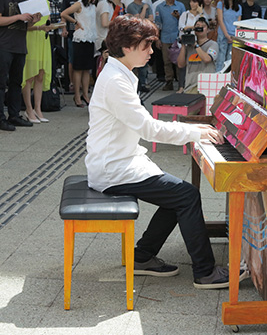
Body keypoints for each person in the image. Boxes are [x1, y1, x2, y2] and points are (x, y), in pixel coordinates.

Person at [86, 15, 242, 289]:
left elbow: (143, 126)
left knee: (179, 194)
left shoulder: (120, 73)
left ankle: (143, 256)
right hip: (113, 168)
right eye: (146, 46)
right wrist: (195, 132)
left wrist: (194, 132)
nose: (151, 52)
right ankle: (205, 272)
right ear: (127, 47)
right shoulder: (116, 82)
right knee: (186, 194)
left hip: (119, 159)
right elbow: (149, 128)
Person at [0, 0, 41, 131]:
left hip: (20, 46)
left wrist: (32, 21)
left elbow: (26, 26)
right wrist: (18, 16)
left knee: (16, 83)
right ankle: (1, 118)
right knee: (1, 84)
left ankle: (14, 115)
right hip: (4, 46)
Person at [62, 0, 97, 108]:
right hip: (80, 37)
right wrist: (75, 22)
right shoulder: (79, 4)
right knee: (78, 68)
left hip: (90, 37)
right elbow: (64, 13)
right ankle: (77, 95)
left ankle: (85, 94)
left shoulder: (92, 6)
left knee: (87, 69)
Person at [22, 0, 52, 124]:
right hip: (31, 39)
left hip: (43, 40)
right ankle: (28, 109)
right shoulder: (26, 1)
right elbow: (24, 26)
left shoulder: (46, 2)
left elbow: (48, 22)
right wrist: (39, 27)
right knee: (29, 76)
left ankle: (38, 109)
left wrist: (50, 27)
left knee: (40, 74)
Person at [177, 17, 218, 93]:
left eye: (203, 26)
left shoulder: (213, 44)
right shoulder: (189, 46)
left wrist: (196, 45)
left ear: (208, 30)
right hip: (190, 85)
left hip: (206, 85)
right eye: (198, 26)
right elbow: (180, 64)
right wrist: (183, 45)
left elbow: (207, 59)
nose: (200, 28)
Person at [155, 0, 186, 91]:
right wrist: (157, 39)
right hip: (165, 37)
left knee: (179, 62)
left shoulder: (181, 6)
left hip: (177, 37)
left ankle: (181, 84)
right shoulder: (159, 7)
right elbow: (158, 24)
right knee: (166, 61)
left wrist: (178, 17)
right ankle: (169, 82)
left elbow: (185, 21)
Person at [127, 0, 154, 92]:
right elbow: (139, 20)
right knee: (134, 60)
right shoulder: (131, 6)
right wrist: (144, 9)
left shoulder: (147, 5)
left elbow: (151, 19)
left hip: (146, 36)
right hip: (135, 37)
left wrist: (144, 17)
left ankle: (143, 82)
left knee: (145, 60)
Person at [177, 0, 204, 93]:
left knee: (194, 64)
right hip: (185, 42)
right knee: (182, 64)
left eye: (196, 2)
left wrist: (201, 14)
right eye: (192, 1)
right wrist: (194, 27)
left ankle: (192, 85)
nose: (193, 4)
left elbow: (203, 26)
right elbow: (182, 28)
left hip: (197, 42)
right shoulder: (185, 14)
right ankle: (181, 86)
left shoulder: (201, 15)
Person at [216, 0, 241, 71]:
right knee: (220, 60)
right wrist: (227, 35)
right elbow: (220, 20)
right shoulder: (221, 4)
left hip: (234, 37)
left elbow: (238, 24)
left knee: (230, 61)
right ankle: (218, 78)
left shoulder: (239, 7)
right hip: (223, 35)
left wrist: (234, 37)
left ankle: (227, 80)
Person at [61, 0, 79, 93]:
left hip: (83, 32)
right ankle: (71, 82)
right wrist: (64, 29)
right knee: (72, 58)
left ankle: (80, 83)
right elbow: (63, 15)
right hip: (72, 32)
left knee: (81, 58)